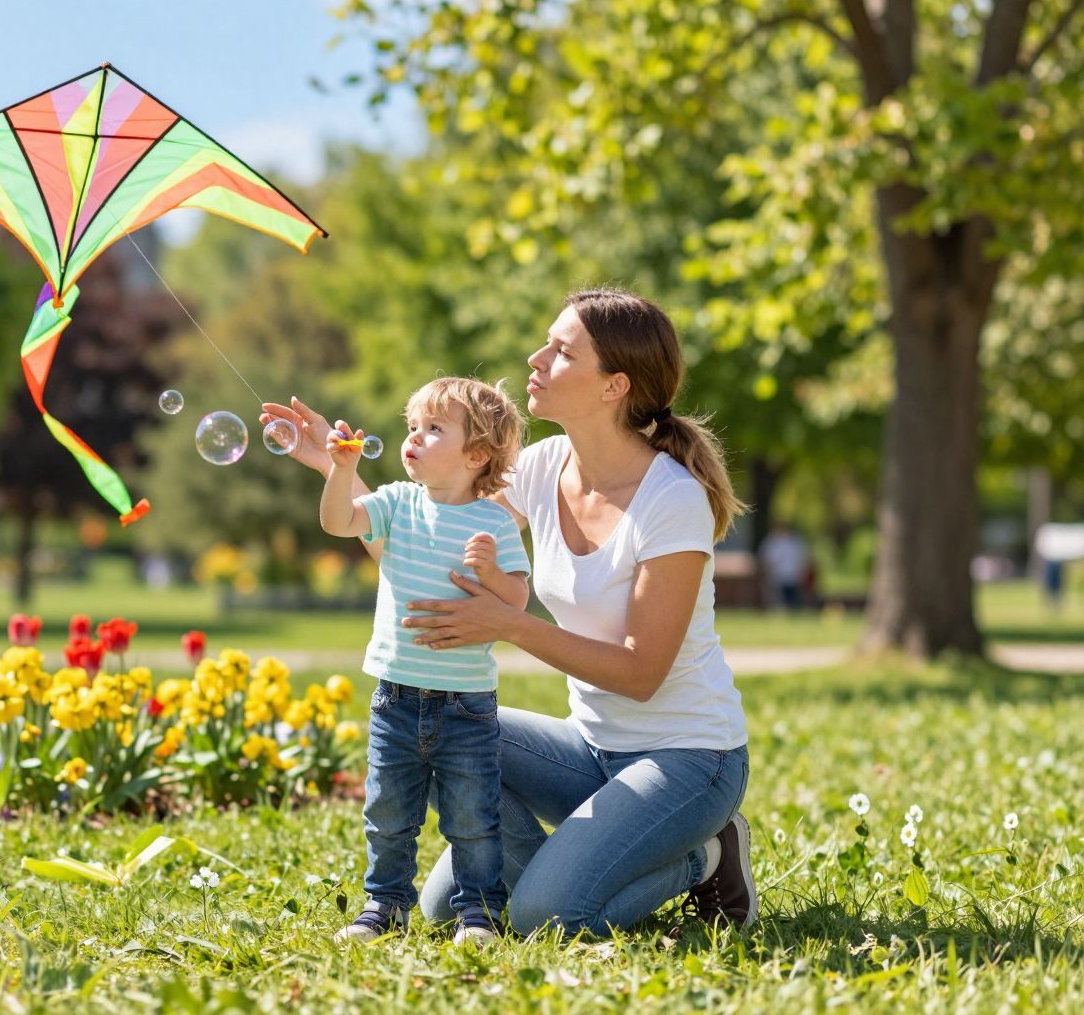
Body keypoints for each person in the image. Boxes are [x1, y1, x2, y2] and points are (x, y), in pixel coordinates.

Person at [264, 289, 755, 938]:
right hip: (589, 748)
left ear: (614, 386)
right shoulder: (541, 466)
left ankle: (703, 855)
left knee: (546, 916)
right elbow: (417, 542)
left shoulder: (672, 500)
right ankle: (577, 853)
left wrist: (509, 625)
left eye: (560, 351)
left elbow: (642, 674)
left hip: (687, 760)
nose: (536, 357)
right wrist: (336, 469)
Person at [319, 377, 531, 945]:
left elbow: (516, 603)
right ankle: (383, 906)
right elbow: (338, 523)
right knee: (388, 817)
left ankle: (480, 915)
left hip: (466, 704)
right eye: (412, 426)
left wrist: (489, 574)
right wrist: (339, 470)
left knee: (472, 819)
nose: (414, 437)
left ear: (477, 454)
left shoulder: (495, 523)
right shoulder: (394, 502)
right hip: (395, 697)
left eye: (434, 428)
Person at [759, 521, 813, 609]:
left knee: (793, 603)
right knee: (777, 603)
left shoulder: (796, 542)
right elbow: (765, 560)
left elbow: (803, 559)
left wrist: (802, 574)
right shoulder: (770, 542)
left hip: (793, 578)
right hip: (776, 578)